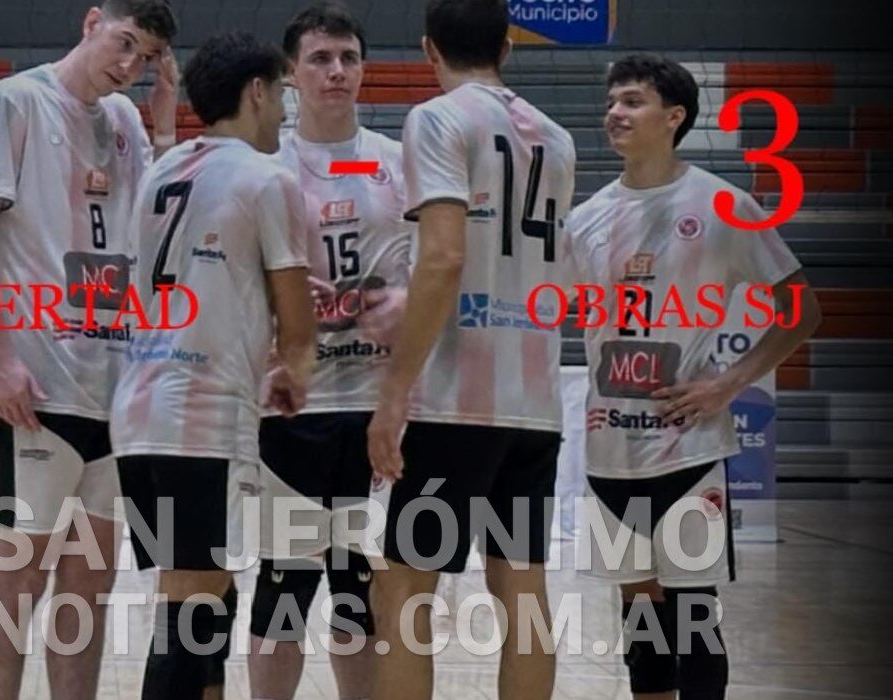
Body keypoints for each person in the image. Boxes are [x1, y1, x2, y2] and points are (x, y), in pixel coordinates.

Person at [561, 53, 821, 700]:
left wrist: (727, 383)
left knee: (693, 617)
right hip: (609, 451)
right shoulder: (586, 218)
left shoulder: (723, 205)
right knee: (641, 622)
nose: (614, 112)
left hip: (688, 451)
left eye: (632, 101)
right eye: (612, 101)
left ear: (674, 116)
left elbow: (802, 309)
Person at [0, 2, 178, 698]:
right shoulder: (17, 100)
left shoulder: (126, 119)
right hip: (38, 387)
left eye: (146, 58)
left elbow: (160, 226)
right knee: (21, 574)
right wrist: (1, 359)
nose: (130, 66)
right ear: (92, 22)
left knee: (90, 583)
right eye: (124, 43)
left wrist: (165, 121)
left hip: (116, 391)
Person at [365, 1, 576, 699]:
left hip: (455, 399)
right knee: (522, 592)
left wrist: (395, 391)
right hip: (536, 399)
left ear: (429, 49)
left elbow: (443, 256)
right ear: (506, 48)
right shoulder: (558, 138)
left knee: (402, 592)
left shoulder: (437, 118)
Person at [108, 30, 317, 700]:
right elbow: (298, 320)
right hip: (201, 416)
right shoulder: (268, 179)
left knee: (206, 593)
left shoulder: (163, 171)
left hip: (139, 410)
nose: (283, 110)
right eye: (280, 93)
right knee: (191, 604)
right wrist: (294, 373)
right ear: (256, 92)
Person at [246, 4, 411, 700]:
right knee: (283, 584)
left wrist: (400, 303)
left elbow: (439, 270)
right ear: (291, 73)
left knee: (357, 587)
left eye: (348, 58)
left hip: (377, 409)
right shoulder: (266, 166)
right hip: (291, 406)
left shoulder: (398, 163)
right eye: (319, 58)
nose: (336, 71)